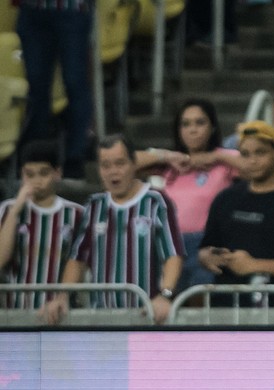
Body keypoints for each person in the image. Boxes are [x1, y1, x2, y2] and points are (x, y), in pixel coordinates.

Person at [42, 135, 184, 325]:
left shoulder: (155, 201)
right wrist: (62, 296)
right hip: (102, 319)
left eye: (120, 163)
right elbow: (77, 259)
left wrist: (165, 295)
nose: (113, 172)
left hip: (147, 317)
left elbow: (173, 255)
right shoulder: (94, 205)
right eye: (105, 166)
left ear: (134, 164)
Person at [199, 121, 274, 308]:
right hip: (226, 309)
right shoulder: (225, 198)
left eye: (260, 152)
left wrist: (253, 265)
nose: (252, 160)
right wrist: (208, 257)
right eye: (246, 154)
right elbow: (206, 248)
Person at [135, 99, 244, 292]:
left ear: (212, 127)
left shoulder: (225, 159)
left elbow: (252, 166)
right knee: (171, 307)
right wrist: (167, 156)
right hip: (170, 245)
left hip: (206, 245)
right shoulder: (173, 163)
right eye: (185, 124)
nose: (192, 130)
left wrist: (215, 157)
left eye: (200, 123)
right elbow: (128, 163)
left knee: (200, 309)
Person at [0, 141, 85, 310]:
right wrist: (16, 210)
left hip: (60, 316)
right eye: (29, 175)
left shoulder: (76, 214)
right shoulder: (8, 210)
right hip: (16, 314)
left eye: (43, 173)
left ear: (57, 173)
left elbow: (80, 266)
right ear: (21, 175)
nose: (36, 181)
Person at [16, 0, 93, 181]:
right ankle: (37, 157)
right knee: (35, 86)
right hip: (33, 10)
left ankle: (75, 157)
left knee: (75, 82)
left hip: (72, 9)